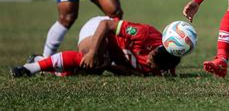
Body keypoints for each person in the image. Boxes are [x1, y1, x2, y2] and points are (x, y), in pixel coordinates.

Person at [11, 16, 181, 77]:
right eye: (151, 61)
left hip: (111, 55)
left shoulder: (163, 68)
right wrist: (92, 52)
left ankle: (41, 61)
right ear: (153, 50)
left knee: (87, 70)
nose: (150, 66)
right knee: (89, 57)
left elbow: (129, 70)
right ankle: (30, 68)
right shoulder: (145, 34)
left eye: (154, 67)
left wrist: (110, 67)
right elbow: (105, 25)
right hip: (98, 29)